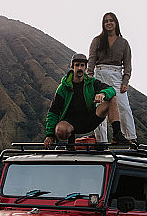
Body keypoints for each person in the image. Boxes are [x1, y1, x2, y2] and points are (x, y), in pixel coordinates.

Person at [44, 53, 130, 147]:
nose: (80, 68)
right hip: (70, 122)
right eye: (77, 65)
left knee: (112, 99)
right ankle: (69, 143)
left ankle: (117, 135)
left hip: (89, 119)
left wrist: (102, 94)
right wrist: (50, 135)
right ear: (72, 67)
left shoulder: (92, 82)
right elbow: (53, 111)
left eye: (82, 65)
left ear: (86, 67)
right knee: (60, 130)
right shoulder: (63, 88)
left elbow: (111, 90)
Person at [87, 12, 137, 143]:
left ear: (116, 23)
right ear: (103, 24)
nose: (108, 23)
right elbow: (91, 60)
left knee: (124, 107)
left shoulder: (124, 43)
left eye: (111, 20)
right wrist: (89, 77)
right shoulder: (97, 40)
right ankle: (101, 141)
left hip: (116, 75)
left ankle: (130, 138)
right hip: (100, 73)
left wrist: (125, 81)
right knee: (100, 107)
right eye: (106, 21)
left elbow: (127, 64)